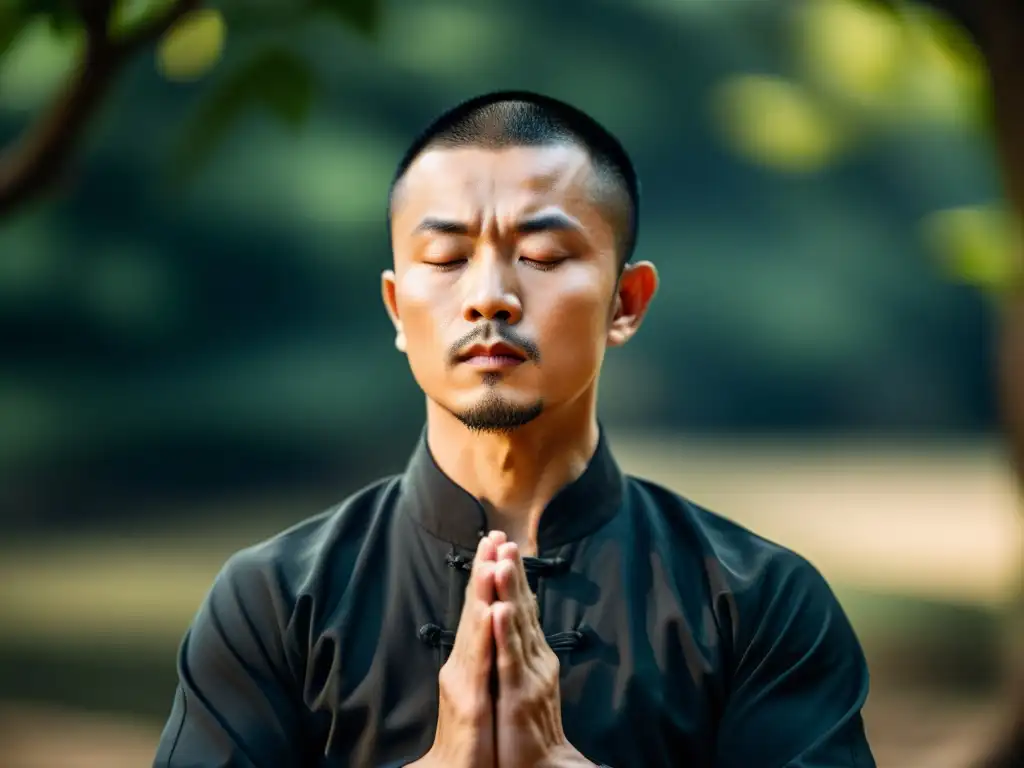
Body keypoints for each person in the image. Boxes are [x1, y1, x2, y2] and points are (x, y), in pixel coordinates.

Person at [152, 90, 876, 768]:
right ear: (397, 308)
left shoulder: (757, 603)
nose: (489, 298)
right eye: (446, 258)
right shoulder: (274, 603)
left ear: (626, 301)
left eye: (541, 256)